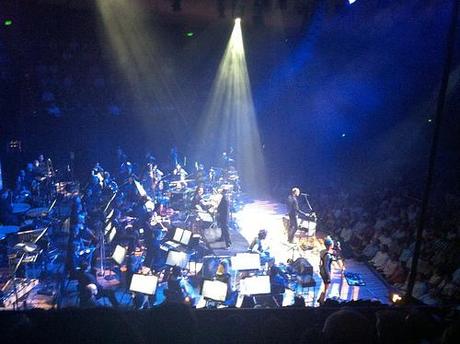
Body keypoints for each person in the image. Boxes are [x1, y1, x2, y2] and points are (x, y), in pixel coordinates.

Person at [318, 236, 337, 305]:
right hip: (326, 271)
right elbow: (326, 266)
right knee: (326, 287)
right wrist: (329, 275)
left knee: (325, 286)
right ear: (330, 245)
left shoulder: (322, 251)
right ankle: (322, 301)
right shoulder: (328, 255)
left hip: (322, 269)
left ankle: (320, 298)